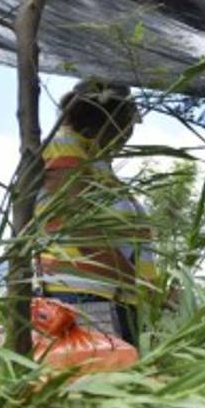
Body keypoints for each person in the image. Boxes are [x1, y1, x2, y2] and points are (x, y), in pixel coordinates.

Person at [36, 79, 156, 346]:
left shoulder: (96, 162)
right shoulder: (63, 144)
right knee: (95, 380)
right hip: (84, 298)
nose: (129, 135)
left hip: (110, 297)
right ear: (111, 120)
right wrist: (138, 281)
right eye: (129, 124)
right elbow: (76, 226)